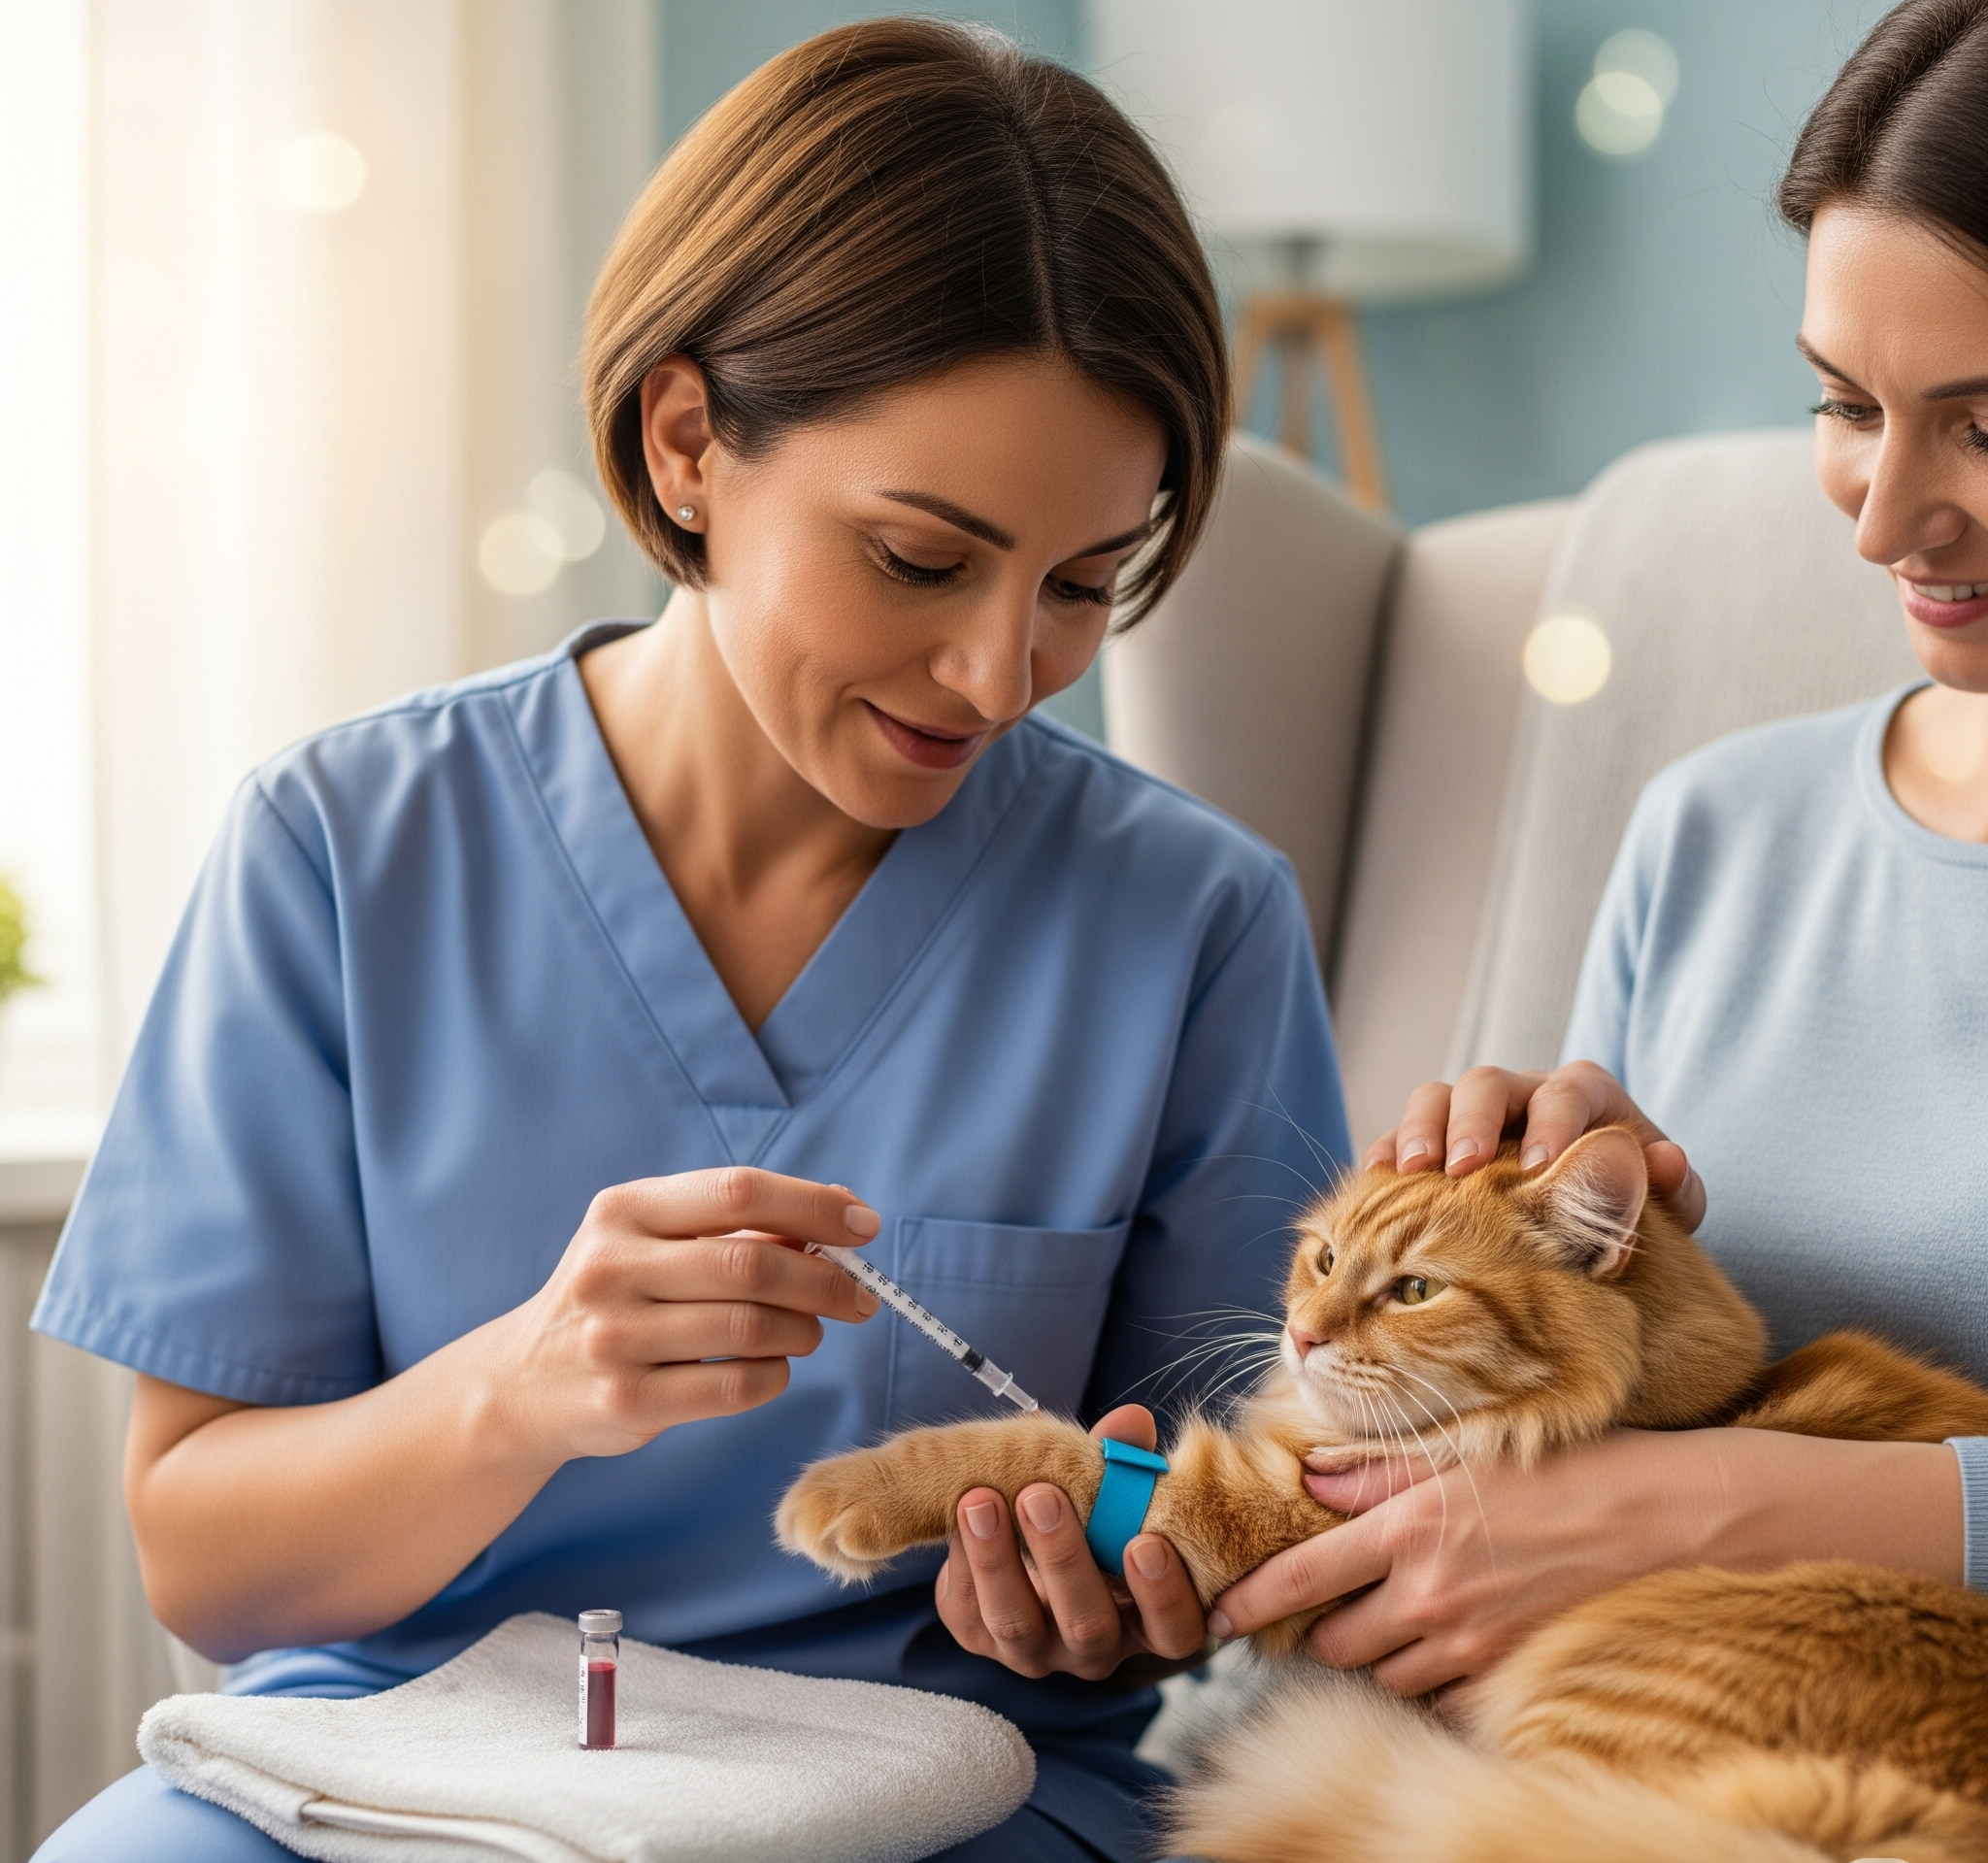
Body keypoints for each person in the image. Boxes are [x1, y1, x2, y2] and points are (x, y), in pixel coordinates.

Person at [31, 22, 1346, 1859]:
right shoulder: (338, 849)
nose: (998, 673)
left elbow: (1257, 1527)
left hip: (947, 1795)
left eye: (1079, 587)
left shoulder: (1193, 922)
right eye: (917, 558)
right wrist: (525, 1383)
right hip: (392, 1776)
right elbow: (210, 1558)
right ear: (688, 442)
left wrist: (1124, 1592)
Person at [1213, 0, 1988, 1698]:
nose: (1879, 516)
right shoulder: (1716, 831)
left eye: (1984, 425)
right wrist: (1528, 1195)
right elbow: (1577, 1379)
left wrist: (1743, 1509)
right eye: (1845, 403)